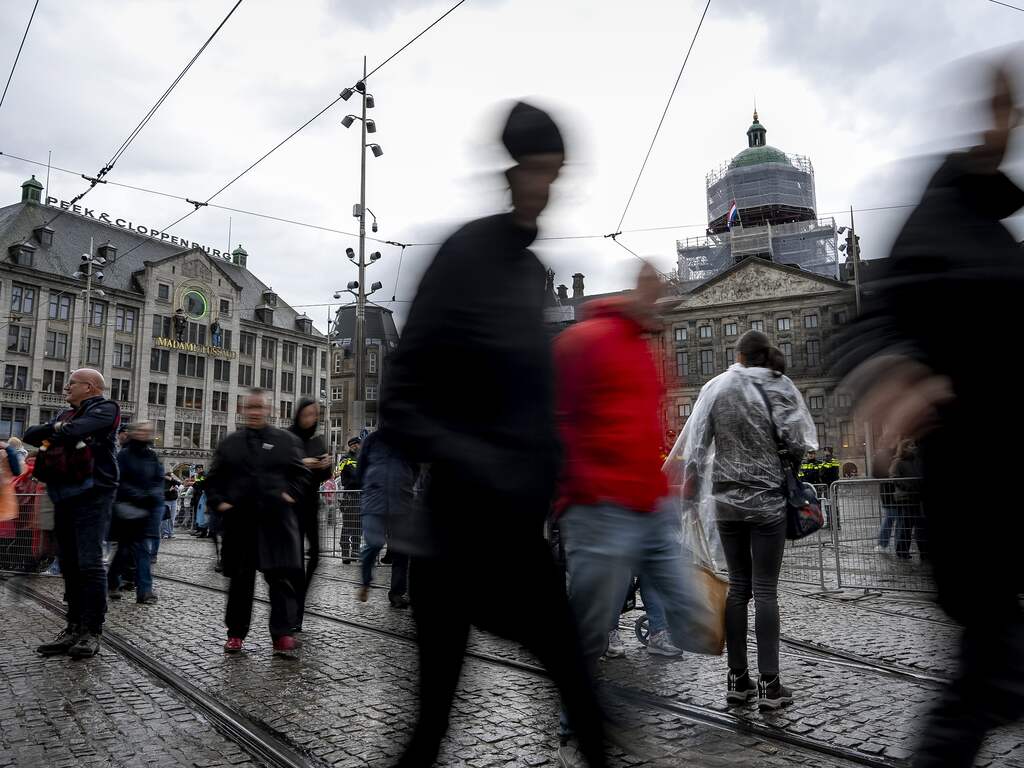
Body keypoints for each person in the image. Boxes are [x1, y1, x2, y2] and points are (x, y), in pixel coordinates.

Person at [381, 100, 607, 767]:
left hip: (516, 541)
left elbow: (528, 398)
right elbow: (401, 399)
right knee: (430, 727)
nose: (548, 188)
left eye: (557, 174)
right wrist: (480, 462)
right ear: (514, 171)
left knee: (581, 687)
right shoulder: (465, 255)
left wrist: (556, 458)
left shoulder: (529, 273)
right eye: (540, 171)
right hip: (453, 537)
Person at [834, 62, 1024, 768]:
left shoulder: (993, 230)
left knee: (989, 680)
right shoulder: (939, 215)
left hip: (999, 493)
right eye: (992, 107)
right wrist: (895, 370)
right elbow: (871, 318)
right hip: (976, 498)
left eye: (1010, 108)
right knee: (987, 680)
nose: (1001, 122)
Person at [676, 330, 816, 710]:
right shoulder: (779, 386)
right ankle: (770, 685)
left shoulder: (717, 388)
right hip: (768, 499)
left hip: (726, 500)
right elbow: (799, 442)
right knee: (766, 590)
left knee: (738, 588)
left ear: (738, 355)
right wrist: (788, 465)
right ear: (764, 354)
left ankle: (738, 681)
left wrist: (691, 489)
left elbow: (697, 444)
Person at [205, 388, 309, 656]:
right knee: (241, 582)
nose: (254, 412)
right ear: (242, 410)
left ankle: (283, 635)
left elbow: (300, 475)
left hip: (276, 522)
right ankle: (236, 634)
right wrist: (220, 502)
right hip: (241, 523)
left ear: (268, 410)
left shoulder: (285, 441)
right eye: (250, 407)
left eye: (259, 407)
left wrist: (290, 494)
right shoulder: (230, 443)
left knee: (280, 580)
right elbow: (214, 479)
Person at [25, 368, 121, 659]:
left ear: (90, 387)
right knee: (69, 563)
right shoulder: (65, 415)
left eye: (71, 383)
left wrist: (56, 432)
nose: (65, 388)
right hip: (63, 492)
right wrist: (58, 431)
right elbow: (31, 434)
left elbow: (73, 432)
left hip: (93, 493)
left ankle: (92, 631)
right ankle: (73, 627)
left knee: (90, 563)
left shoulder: (106, 408)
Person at [352, 427, 413, 608]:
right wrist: (371, 485)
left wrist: (405, 483)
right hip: (374, 501)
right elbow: (360, 469)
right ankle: (365, 581)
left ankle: (397, 593)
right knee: (374, 543)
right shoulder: (372, 440)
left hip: (401, 501)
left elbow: (416, 468)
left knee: (401, 550)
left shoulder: (409, 439)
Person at [288, 398, 333, 630]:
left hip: (310, 506)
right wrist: (302, 463)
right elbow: (282, 467)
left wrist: (326, 465)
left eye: (314, 415)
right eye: (306, 414)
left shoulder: (318, 441)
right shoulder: (288, 438)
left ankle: (299, 600)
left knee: (315, 555)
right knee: (295, 560)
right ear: (298, 415)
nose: (310, 419)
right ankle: (295, 613)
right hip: (291, 506)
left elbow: (325, 477)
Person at [107, 422, 164, 605]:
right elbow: (119, 481)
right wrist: (139, 495)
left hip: (145, 510)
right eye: (140, 430)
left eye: (147, 431)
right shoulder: (124, 455)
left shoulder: (151, 456)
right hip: (126, 509)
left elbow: (158, 480)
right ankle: (115, 581)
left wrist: (152, 495)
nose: (143, 434)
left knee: (140, 550)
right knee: (125, 550)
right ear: (133, 433)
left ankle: (144, 591)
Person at [337, 436, 362, 563]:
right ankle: (345, 553)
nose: (354, 446)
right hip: (350, 496)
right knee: (348, 525)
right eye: (352, 445)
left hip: (361, 496)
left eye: (356, 444)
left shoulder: (363, 458)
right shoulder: (345, 458)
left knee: (358, 526)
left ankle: (356, 552)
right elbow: (352, 474)